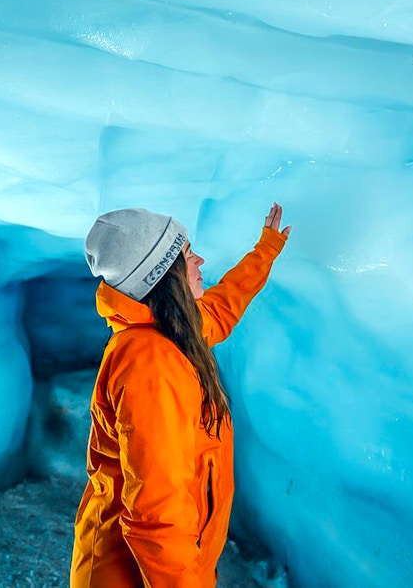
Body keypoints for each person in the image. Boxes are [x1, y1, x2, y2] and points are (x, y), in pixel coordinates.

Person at [70, 202, 291, 588]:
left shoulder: (168, 331)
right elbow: (158, 515)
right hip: (131, 576)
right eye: (188, 255)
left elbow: (219, 311)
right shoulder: (151, 365)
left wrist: (265, 251)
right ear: (163, 277)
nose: (200, 260)